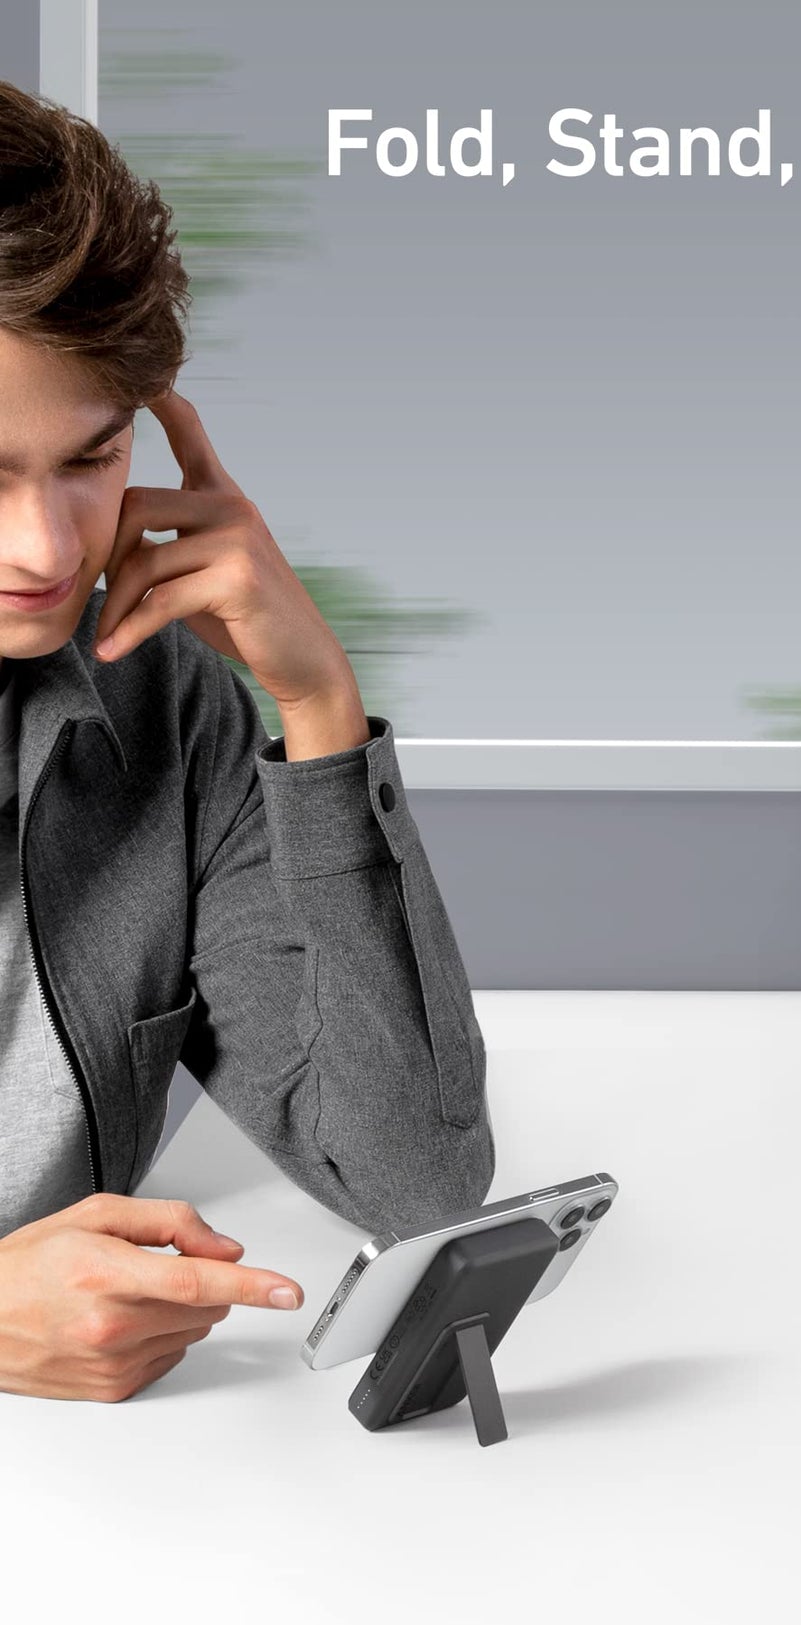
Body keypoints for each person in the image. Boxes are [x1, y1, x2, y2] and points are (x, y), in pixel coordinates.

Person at [0, 82, 493, 1402]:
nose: (46, 551)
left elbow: (414, 1181)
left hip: (143, 1507)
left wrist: (318, 708)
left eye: (89, 461)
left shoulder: (165, 705)